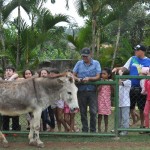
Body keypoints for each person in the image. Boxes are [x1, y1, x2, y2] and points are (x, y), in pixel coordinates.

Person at [112, 44, 150, 129]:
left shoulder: (148, 61)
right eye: (135, 50)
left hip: (143, 88)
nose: (135, 51)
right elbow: (125, 68)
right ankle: (124, 126)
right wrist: (119, 69)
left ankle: (142, 126)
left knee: (142, 108)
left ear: (142, 51)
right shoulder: (132, 58)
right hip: (131, 87)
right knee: (129, 107)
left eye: (137, 50)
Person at [73, 47, 101, 132]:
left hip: (92, 90)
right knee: (83, 111)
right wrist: (79, 79)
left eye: (86, 56)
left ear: (90, 55)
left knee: (93, 111)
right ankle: (85, 129)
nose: (84, 58)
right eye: (83, 56)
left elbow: (98, 76)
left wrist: (89, 78)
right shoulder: (79, 63)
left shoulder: (96, 63)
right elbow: (73, 75)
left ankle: (93, 130)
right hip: (81, 90)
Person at [2, 66, 21, 135]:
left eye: (10, 70)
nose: (8, 71)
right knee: (5, 118)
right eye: (6, 70)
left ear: (13, 72)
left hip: (14, 102)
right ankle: (5, 132)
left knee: (15, 117)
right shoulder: (3, 80)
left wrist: (12, 77)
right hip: (5, 102)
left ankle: (15, 131)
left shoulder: (17, 80)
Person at [97, 67, 112, 133]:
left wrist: (111, 84)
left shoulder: (111, 81)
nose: (102, 75)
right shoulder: (100, 81)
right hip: (100, 100)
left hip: (107, 101)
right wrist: (101, 83)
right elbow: (97, 90)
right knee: (99, 115)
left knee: (106, 116)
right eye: (102, 74)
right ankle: (99, 129)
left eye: (104, 74)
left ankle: (106, 129)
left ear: (108, 75)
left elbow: (113, 90)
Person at [118, 69, 131, 136]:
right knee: (119, 117)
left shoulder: (128, 81)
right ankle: (118, 129)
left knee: (125, 117)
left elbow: (120, 83)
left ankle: (125, 131)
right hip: (119, 102)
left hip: (125, 103)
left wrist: (120, 75)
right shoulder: (120, 80)